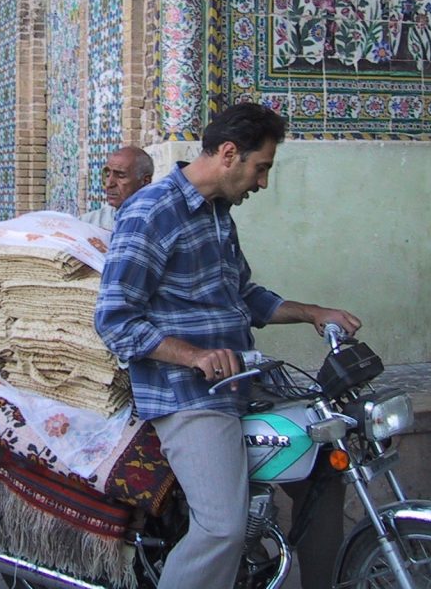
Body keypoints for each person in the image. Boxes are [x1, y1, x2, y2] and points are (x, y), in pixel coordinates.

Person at [95, 102, 361, 589]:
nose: (261, 183)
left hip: (241, 381)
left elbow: (243, 295)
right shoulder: (151, 212)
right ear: (230, 154)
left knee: (325, 462)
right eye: (261, 169)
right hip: (188, 395)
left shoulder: (218, 215)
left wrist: (312, 313)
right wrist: (194, 355)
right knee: (221, 527)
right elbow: (115, 320)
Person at [80, 146, 154, 230]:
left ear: (145, 181)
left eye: (120, 176)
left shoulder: (156, 224)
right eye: (107, 175)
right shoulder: (89, 223)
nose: (108, 184)